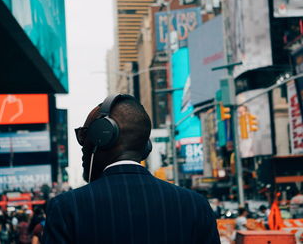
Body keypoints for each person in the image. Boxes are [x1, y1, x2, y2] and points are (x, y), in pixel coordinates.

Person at [43, 94, 220, 243]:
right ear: (146, 147)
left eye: (84, 135)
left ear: (102, 136)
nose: (82, 145)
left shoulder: (67, 208)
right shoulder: (196, 206)